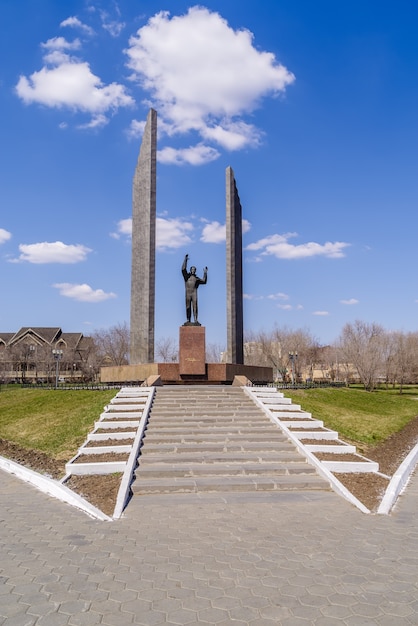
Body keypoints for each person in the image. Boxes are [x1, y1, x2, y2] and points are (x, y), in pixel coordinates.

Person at [181, 254, 208, 324]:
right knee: (188, 307)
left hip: (194, 293)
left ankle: (196, 320)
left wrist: (205, 273)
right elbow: (183, 269)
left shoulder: (197, 279)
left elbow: (204, 281)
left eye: (194, 269)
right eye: (192, 269)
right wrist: (185, 260)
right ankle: (188, 320)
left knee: (195, 306)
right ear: (190, 270)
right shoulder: (186, 277)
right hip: (188, 293)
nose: (193, 270)